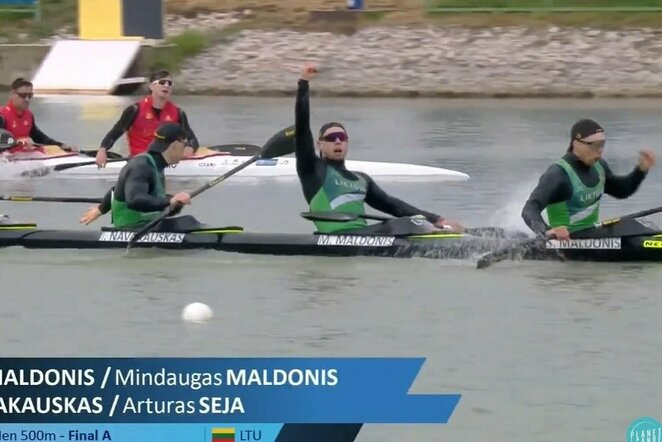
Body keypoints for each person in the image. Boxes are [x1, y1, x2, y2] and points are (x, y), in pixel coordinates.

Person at [294, 61, 464, 235]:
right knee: (405, 225)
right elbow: (302, 127)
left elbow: (392, 205)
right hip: (336, 237)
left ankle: (445, 231)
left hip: (366, 235)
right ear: (319, 144)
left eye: (342, 137)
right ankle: (440, 235)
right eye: (331, 138)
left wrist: (435, 219)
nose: (338, 141)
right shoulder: (312, 169)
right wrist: (303, 83)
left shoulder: (361, 180)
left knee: (410, 221)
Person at [521, 118, 656, 240]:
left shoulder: (600, 167)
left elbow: (621, 191)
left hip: (592, 234)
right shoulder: (558, 174)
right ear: (576, 144)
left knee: (633, 226)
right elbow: (529, 209)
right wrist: (547, 231)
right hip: (566, 242)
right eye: (595, 145)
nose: (600, 150)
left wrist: (641, 170)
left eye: (602, 144)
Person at [80, 122, 193, 230]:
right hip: (131, 228)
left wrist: (174, 204)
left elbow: (119, 188)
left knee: (188, 221)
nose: (186, 150)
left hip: (147, 225)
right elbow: (134, 200)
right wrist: (170, 201)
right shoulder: (141, 166)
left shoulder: (156, 166)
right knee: (186, 223)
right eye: (185, 145)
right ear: (174, 145)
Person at [95, 70, 200, 167]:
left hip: (165, 162)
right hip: (140, 161)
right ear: (151, 86)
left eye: (170, 83)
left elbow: (192, 139)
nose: (167, 86)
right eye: (162, 82)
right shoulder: (134, 110)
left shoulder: (178, 113)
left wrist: (190, 147)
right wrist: (102, 149)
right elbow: (115, 132)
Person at [0, 77, 74, 154]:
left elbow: (40, 137)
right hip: (7, 160)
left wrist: (61, 145)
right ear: (13, 94)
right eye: (23, 95)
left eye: (30, 95)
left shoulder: (29, 115)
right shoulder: (2, 115)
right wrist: (17, 142)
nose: (27, 99)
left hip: (25, 157)